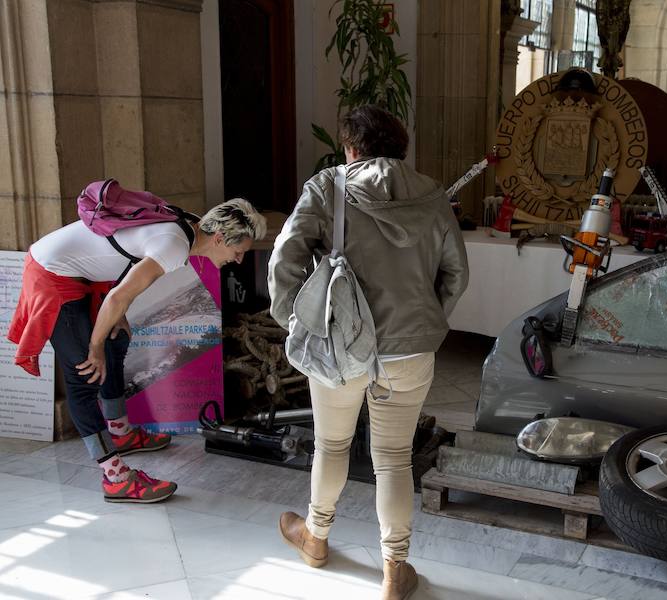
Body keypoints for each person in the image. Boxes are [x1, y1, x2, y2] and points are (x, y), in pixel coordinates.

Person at [268, 104, 468, 600]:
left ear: (351, 149)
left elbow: (285, 258)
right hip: (411, 352)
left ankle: (315, 539)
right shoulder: (433, 197)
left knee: (332, 445)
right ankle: (395, 570)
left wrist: (295, 319)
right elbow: (456, 274)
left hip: (339, 346)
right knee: (394, 459)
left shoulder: (328, 187)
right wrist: (425, 323)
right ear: (402, 149)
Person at [7, 198, 266, 503]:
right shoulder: (175, 245)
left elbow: (122, 269)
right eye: (238, 253)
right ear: (220, 239)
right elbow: (118, 297)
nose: (238, 261)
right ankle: (115, 477)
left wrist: (115, 326)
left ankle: (120, 431)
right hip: (51, 275)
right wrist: (95, 347)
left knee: (116, 341)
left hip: (80, 276)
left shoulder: (194, 226)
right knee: (85, 374)